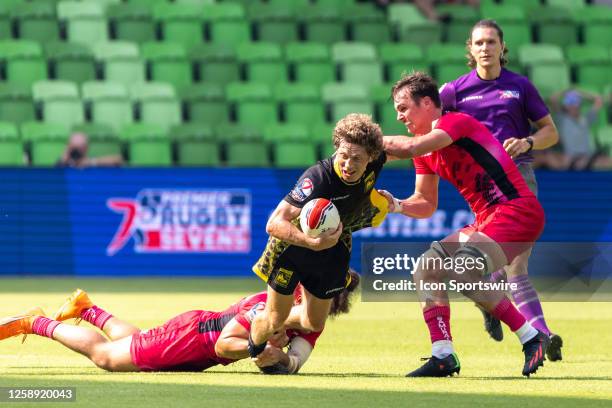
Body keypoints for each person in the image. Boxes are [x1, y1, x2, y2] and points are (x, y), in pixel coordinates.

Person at [381, 71, 549, 377]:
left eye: (403, 107)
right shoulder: (424, 149)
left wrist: (367, 140)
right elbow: (425, 204)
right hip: (486, 219)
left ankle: (531, 336)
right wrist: (396, 205)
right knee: (425, 268)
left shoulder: (455, 122)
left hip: (516, 211)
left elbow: (406, 148)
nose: (399, 115)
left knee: (462, 270)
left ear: (428, 102)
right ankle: (443, 354)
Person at [437, 19, 563, 361]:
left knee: (517, 265)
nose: (485, 48)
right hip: (482, 188)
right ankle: (527, 325)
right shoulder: (453, 92)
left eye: (491, 42)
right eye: (478, 43)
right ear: (470, 48)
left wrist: (527, 142)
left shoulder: (520, 87)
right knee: (502, 264)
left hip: (519, 177)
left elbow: (551, 132)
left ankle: (541, 334)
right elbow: (434, 129)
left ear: (502, 47)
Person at [0, 273, 359, 374]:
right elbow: (224, 346)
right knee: (107, 358)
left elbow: (295, 361)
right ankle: (36, 323)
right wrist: (259, 348)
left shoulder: (313, 320)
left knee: (137, 344)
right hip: (196, 339)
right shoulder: (270, 306)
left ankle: (87, 309)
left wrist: (280, 360)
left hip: (196, 340)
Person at [248, 113, 389, 359]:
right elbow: (274, 223)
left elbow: (403, 148)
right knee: (274, 319)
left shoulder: (377, 161)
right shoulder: (317, 179)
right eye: (343, 155)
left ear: (372, 158)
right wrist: (312, 242)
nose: (348, 164)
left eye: (357, 158)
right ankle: (255, 345)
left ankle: (273, 316)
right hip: (292, 248)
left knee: (313, 323)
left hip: (334, 246)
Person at [534, 89, 612, 171]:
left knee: (607, 161)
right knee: (543, 157)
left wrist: (579, 92)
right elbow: (553, 98)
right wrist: (567, 91)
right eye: (570, 103)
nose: (573, 106)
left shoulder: (585, 119)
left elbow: (598, 101)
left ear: (579, 105)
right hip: (571, 160)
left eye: (575, 103)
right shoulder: (562, 119)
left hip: (587, 158)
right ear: (565, 106)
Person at [57, 132, 123, 168]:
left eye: (80, 148)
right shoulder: (63, 163)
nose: (76, 152)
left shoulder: (92, 162)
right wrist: (64, 159)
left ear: (86, 148)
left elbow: (118, 160)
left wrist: (91, 162)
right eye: (74, 147)